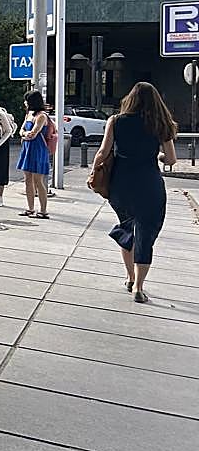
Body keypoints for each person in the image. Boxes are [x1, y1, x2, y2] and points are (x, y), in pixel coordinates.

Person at [93, 82, 177, 304]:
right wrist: (157, 157)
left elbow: (103, 152)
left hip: (121, 185)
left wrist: (94, 172)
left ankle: (130, 277)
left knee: (129, 228)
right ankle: (139, 287)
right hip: (149, 185)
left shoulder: (116, 121)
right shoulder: (160, 123)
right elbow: (171, 159)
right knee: (145, 233)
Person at [16, 89, 52, 219]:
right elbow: (21, 130)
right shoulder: (29, 114)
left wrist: (25, 134)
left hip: (38, 149)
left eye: (27, 100)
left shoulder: (41, 116)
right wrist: (25, 134)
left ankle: (43, 210)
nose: (25, 103)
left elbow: (33, 133)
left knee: (38, 180)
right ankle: (30, 208)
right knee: (27, 180)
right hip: (28, 148)